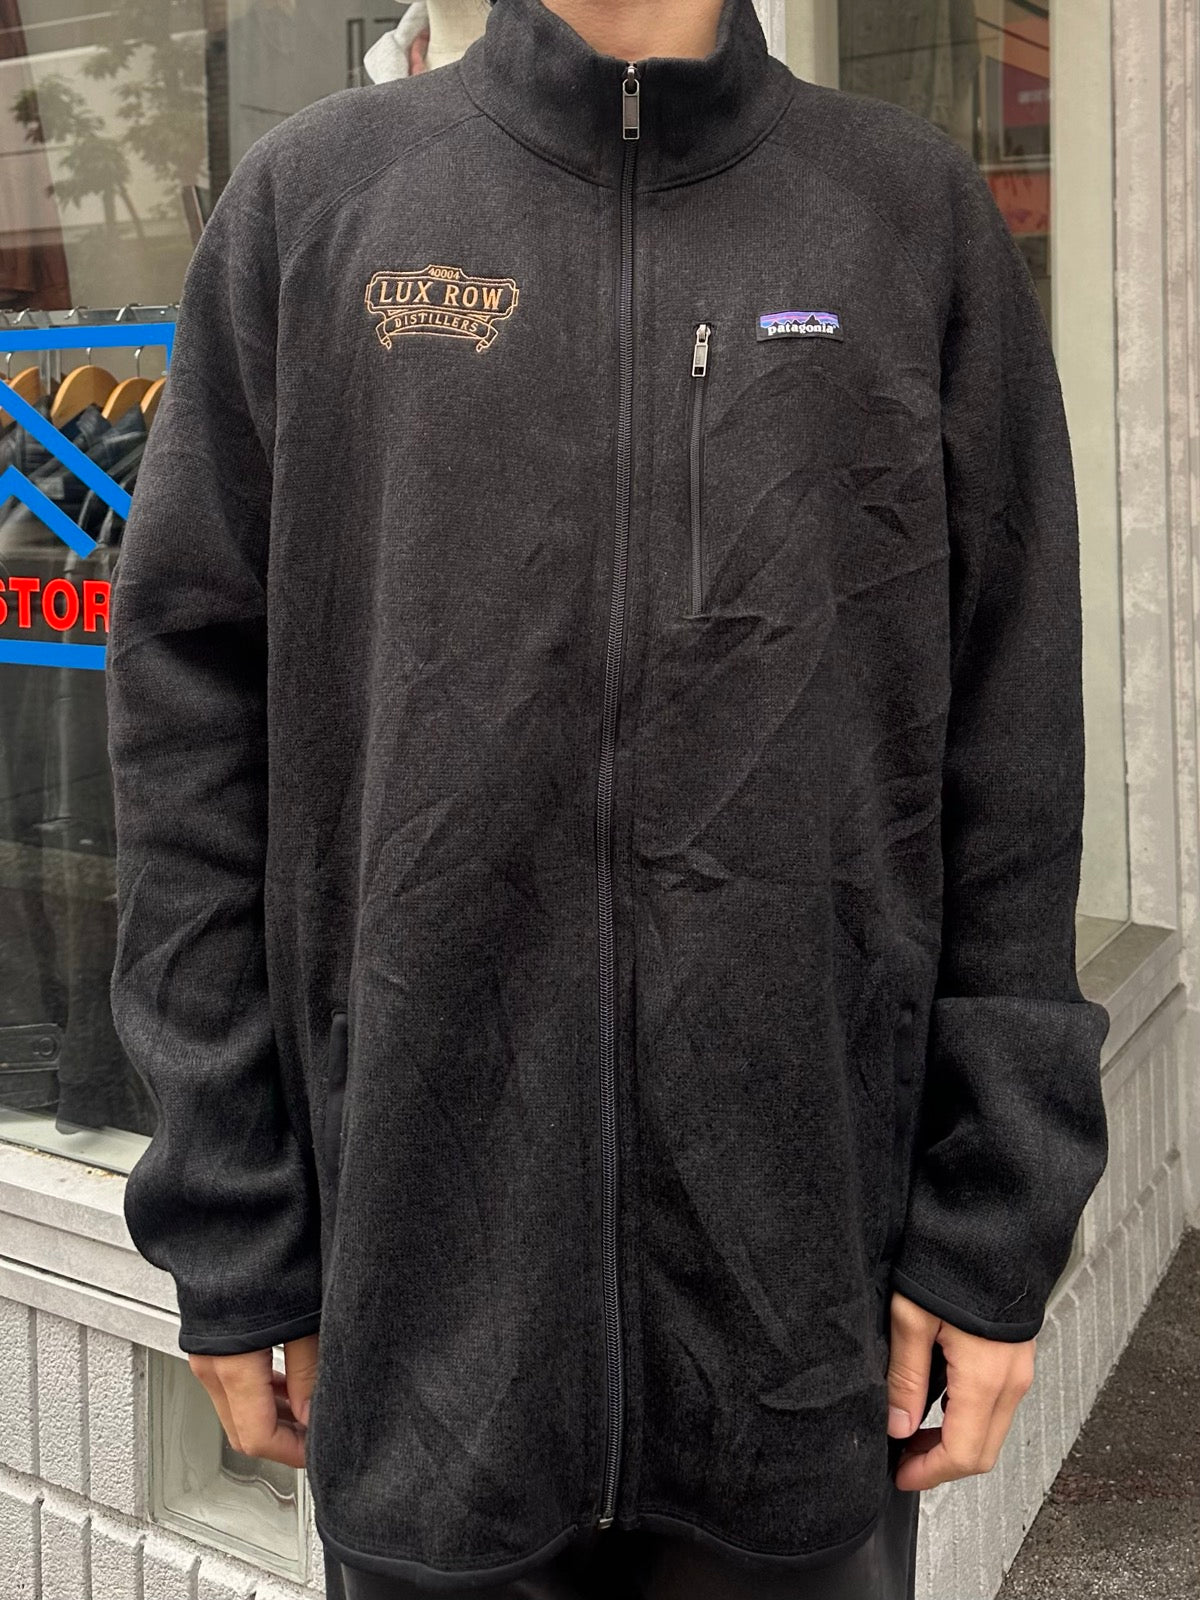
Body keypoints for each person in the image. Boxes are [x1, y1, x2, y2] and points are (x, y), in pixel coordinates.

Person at [104, 0, 1112, 1596]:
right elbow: (188, 742)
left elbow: (1012, 745)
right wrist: (232, 1227)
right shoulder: (316, 207)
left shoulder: (908, 217)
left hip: (804, 1332)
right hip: (424, 1325)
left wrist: (993, 1224)